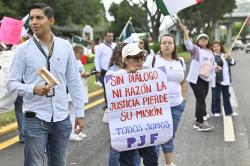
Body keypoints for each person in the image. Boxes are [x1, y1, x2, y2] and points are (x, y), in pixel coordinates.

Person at [7, 3, 85, 166]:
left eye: (39, 18)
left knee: (59, 162)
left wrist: (79, 112)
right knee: (33, 163)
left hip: (61, 118)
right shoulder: (22, 49)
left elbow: (74, 81)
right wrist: (32, 89)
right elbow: (11, 83)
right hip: (35, 118)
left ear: (51, 21)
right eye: (32, 18)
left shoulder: (65, 47)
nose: (34, 22)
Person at [144, 34, 187, 166]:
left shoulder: (180, 61)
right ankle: (153, 163)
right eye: (164, 43)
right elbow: (141, 79)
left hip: (176, 105)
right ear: (160, 45)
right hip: (156, 106)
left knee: (169, 136)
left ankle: (169, 163)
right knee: (156, 137)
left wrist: (183, 99)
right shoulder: (152, 60)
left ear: (174, 45)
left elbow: (183, 81)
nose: (167, 45)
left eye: (170, 43)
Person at [115, 43, 158, 166]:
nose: (140, 61)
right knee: (126, 161)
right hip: (126, 127)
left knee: (152, 159)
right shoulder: (116, 76)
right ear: (125, 60)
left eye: (141, 57)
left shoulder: (147, 74)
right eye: (135, 58)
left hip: (144, 126)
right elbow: (111, 82)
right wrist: (127, 74)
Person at [105, 42, 141, 166]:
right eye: (132, 57)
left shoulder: (136, 70)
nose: (135, 60)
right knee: (117, 149)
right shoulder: (113, 72)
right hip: (120, 118)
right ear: (122, 57)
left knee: (135, 148)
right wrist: (126, 73)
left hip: (134, 117)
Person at [179, 22, 215, 131]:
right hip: (196, 79)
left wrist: (216, 67)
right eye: (201, 39)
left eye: (205, 39)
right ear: (198, 41)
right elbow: (188, 44)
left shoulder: (209, 52)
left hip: (206, 78)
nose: (203, 40)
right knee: (201, 100)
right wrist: (185, 32)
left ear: (208, 41)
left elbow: (211, 64)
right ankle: (199, 122)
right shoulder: (196, 50)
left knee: (201, 99)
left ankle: (198, 117)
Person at [211, 41, 238, 117]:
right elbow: (212, 65)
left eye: (218, 46)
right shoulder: (212, 56)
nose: (216, 48)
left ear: (220, 47)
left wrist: (230, 58)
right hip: (217, 79)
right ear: (212, 48)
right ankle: (216, 111)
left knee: (226, 96)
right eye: (214, 46)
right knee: (216, 96)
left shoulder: (225, 55)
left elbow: (233, 63)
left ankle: (229, 112)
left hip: (226, 79)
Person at [69, 44, 89, 141]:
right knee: (72, 112)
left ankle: (76, 130)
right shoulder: (72, 61)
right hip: (72, 91)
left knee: (75, 112)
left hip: (79, 88)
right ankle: (71, 133)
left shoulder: (77, 61)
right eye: (80, 53)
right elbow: (75, 76)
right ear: (75, 52)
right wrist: (83, 74)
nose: (81, 55)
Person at [94, 32, 116, 112]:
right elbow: (96, 59)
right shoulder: (100, 47)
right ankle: (107, 105)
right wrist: (98, 70)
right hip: (104, 71)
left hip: (114, 70)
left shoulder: (115, 45)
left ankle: (115, 104)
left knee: (115, 88)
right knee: (106, 88)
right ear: (105, 37)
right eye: (109, 36)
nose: (111, 38)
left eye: (112, 36)